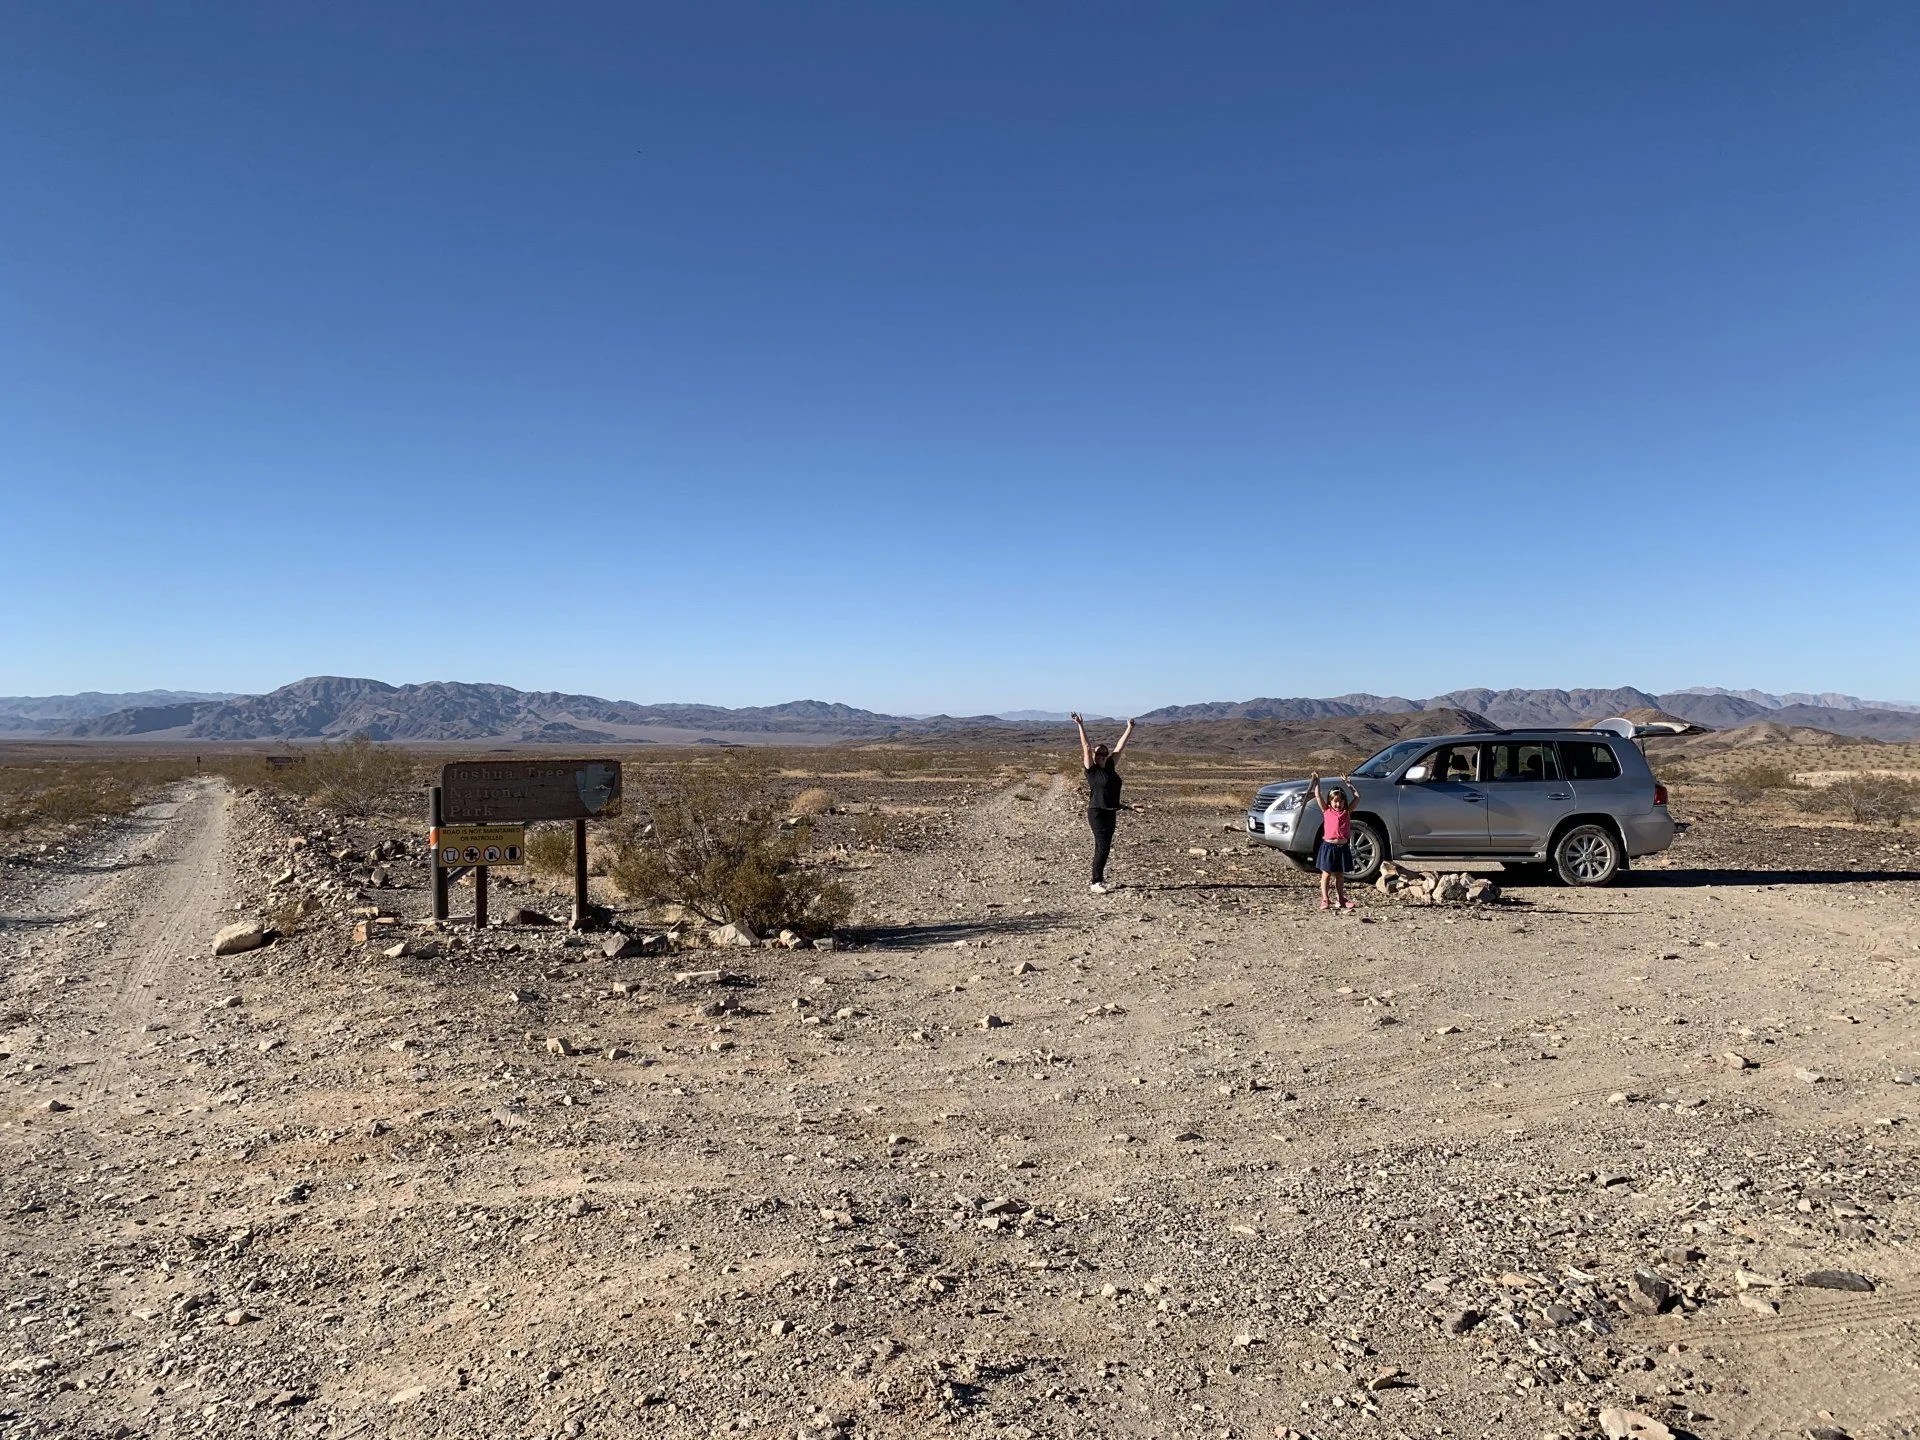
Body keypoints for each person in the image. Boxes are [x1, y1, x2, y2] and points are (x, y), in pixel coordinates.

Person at [1073, 713, 1134, 893]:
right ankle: (1095, 882)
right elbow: (1086, 745)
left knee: (1105, 846)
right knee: (1103, 845)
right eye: (1099, 754)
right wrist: (1080, 725)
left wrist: (1130, 728)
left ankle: (1099, 879)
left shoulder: (1110, 766)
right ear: (1094, 755)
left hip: (1111, 811)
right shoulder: (1091, 770)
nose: (1101, 756)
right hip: (1097, 812)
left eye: (1104, 754)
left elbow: (1120, 747)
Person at [1308, 772, 1360, 911]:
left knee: (1339, 875)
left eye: (1341, 801)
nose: (1338, 804)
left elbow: (1357, 797)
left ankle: (1341, 898)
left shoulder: (1347, 812)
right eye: (1335, 801)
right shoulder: (1326, 811)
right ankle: (1325, 899)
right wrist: (1317, 781)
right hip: (1328, 847)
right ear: (1330, 801)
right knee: (1326, 874)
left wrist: (1349, 784)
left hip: (1342, 847)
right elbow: (1318, 795)